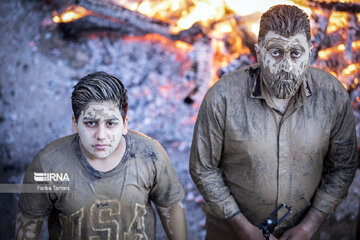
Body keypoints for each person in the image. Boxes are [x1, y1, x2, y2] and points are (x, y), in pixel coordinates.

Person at [189, 5, 357, 240]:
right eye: (275, 53)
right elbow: (204, 169)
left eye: (296, 53)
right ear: (259, 52)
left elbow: (343, 166)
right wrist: (243, 228)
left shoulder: (332, 96)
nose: (286, 66)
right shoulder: (222, 97)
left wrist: (308, 227)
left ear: (310, 51)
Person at [15, 72, 187, 240]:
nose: (101, 135)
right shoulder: (48, 165)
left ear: (125, 124)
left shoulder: (150, 155)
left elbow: (170, 206)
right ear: (75, 123)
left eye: (111, 123)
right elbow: (29, 220)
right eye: (91, 123)